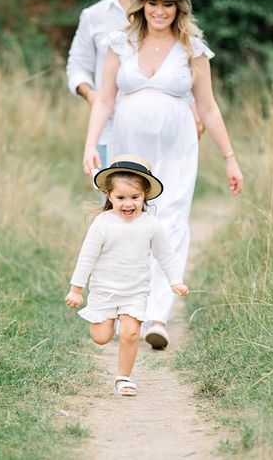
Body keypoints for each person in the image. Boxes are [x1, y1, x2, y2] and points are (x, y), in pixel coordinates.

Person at [82, 0, 244, 350]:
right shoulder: (120, 44)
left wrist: (229, 158)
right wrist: (90, 145)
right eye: (153, 3)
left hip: (178, 147)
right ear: (142, 4)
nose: (160, 11)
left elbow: (208, 107)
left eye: (168, 4)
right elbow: (104, 100)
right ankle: (124, 306)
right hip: (128, 143)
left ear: (178, 8)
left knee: (170, 221)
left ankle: (156, 315)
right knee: (126, 219)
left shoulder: (193, 49)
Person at [65, 155, 188, 396]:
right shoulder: (103, 223)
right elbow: (87, 257)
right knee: (101, 337)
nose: (128, 204)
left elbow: (165, 254)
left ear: (145, 195)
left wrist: (175, 280)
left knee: (130, 333)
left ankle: (123, 378)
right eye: (120, 198)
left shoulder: (150, 224)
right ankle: (109, 319)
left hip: (135, 291)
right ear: (109, 196)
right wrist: (76, 290)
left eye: (135, 197)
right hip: (104, 291)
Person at [66, 0, 156, 167]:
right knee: (112, 191)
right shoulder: (94, 16)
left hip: (157, 131)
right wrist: (91, 95)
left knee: (163, 191)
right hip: (110, 131)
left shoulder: (165, 15)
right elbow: (77, 66)